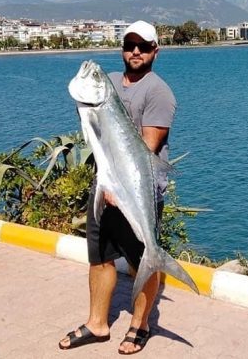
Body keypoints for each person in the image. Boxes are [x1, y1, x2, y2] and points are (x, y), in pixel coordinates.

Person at [59, 20, 176, 355]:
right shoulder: (108, 82)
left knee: (143, 261)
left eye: (143, 46)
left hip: (135, 191)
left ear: (156, 50)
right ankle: (98, 323)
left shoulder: (159, 92)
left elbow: (147, 149)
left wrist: (118, 187)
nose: (135, 51)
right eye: (129, 45)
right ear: (122, 48)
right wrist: (107, 183)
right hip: (105, 187)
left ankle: (141, 325)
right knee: (100, 260)